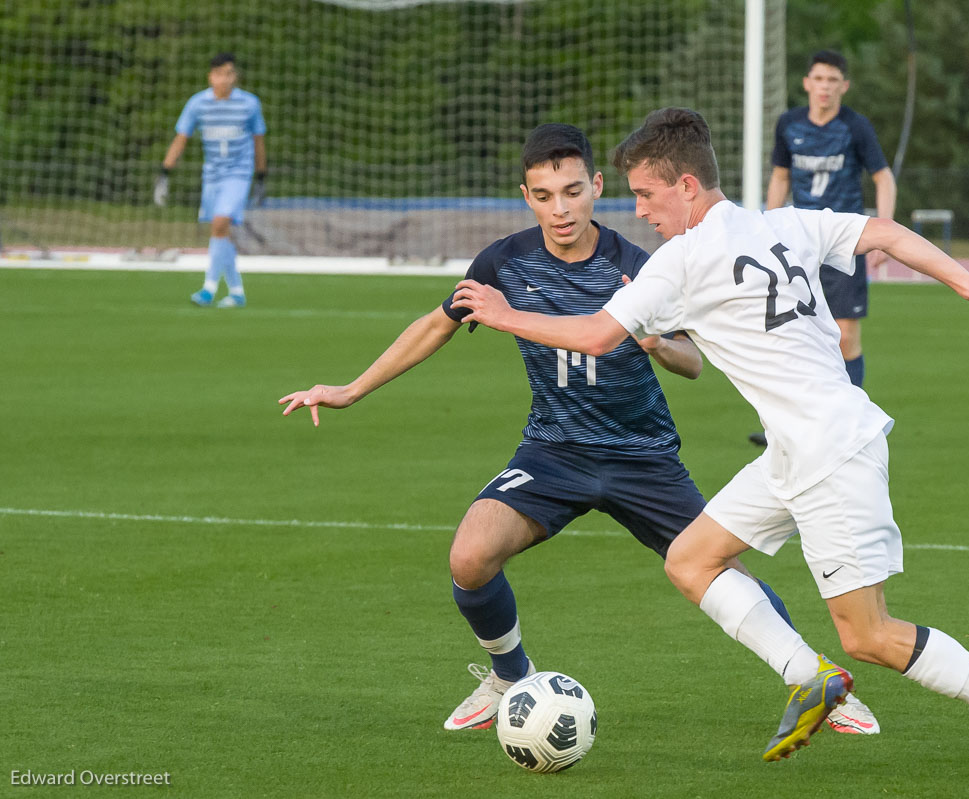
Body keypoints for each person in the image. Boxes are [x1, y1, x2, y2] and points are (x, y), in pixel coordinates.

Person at [451, 109, 969, 786]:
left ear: (686, 186)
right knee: (691, 558)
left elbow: (598, 337)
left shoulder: (682, 259)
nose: (640, 210)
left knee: (868, 634)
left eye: (646, 194)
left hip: (832, 452)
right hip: (796, 449)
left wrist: (503, 312)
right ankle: (809, 676)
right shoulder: (784, 223)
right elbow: (886, 234)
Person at [279, 123, 877, 735]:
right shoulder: (502, 262)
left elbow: (692, 362)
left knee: (720, 573)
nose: (560, 209)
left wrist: (656, 345)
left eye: (571, 191)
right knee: (470, 555)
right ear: (526, 196)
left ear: (596, 186)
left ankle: (816, 679)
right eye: (543, 196)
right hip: (553, 452)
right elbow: (438, 324)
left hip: (643, 455)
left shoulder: (645, 262)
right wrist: (351, 388)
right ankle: (510, 674)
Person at [749, 49, 895, 446]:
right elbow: (780, 177)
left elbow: (883, 178)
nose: (825, 87)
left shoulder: (856, 127)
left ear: (843, 86)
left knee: (846, 336)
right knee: (789, 333)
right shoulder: (789, 124)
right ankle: (786, 427)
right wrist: (766, 227)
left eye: (833, 80)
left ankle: (848, 423)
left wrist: (883, 232)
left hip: (843, 244)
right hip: (797, 244)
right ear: (807, 83)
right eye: (819, 79)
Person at [155, 52, 267, 308]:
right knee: (220, 231)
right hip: (212, 176)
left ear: (235, 76)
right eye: (219, 74)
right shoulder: (198, 104)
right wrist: (164, 173)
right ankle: (237, 292)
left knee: (219, 223)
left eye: (229, 73)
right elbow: (181, 138)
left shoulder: (249, 104)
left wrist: (261, 176)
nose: (224, 79)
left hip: (238, 174)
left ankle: (208, 288)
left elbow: (258, 141)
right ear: (211, 77)